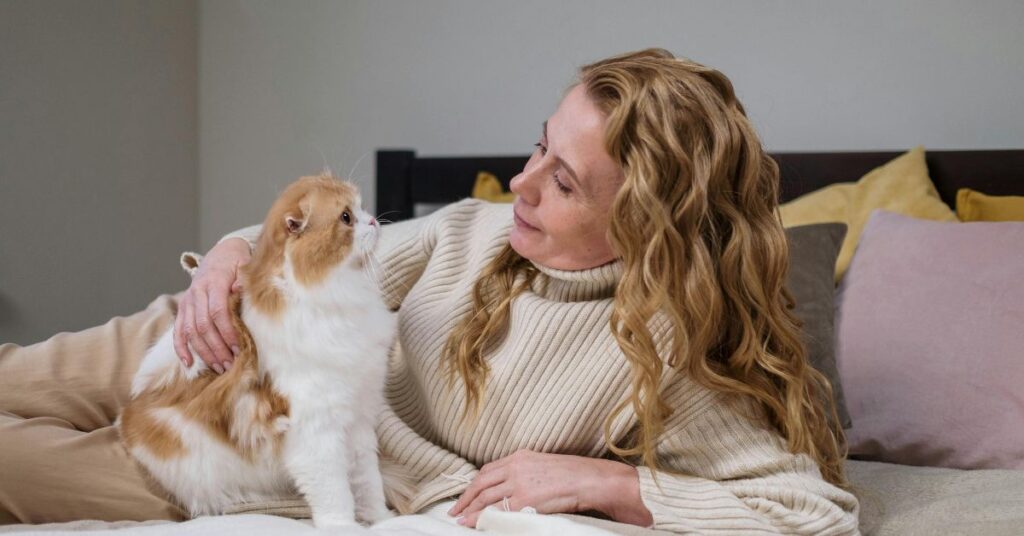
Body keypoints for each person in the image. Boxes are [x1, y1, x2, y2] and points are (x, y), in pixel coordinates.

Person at [0, 48, 859, 533]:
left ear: (645, 226)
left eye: (562, 183)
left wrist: (609, 486)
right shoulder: (472, 231)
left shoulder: (664, 351)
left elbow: (811, 512)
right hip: (211, 333)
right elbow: (303, 246)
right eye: (537, 148)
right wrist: (225, 258)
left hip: (236, 437)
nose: (519, 184)